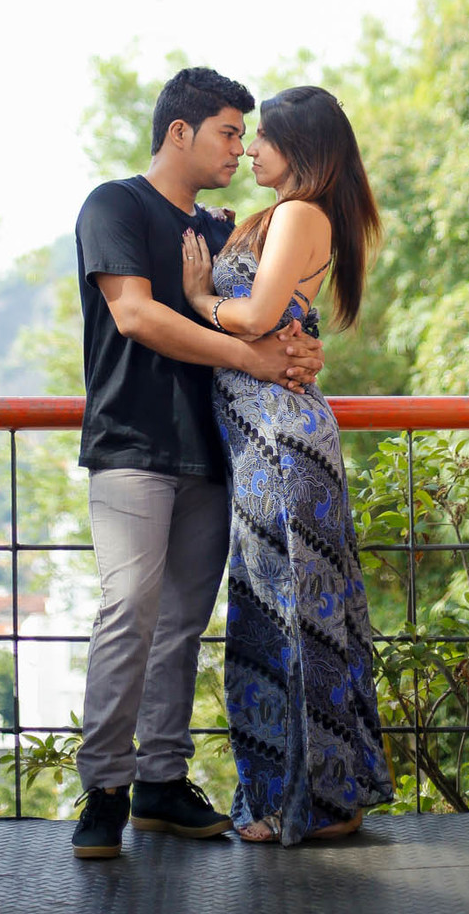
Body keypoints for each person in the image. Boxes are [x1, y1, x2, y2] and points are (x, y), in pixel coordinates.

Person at [71, 67, 325, 861]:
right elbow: (137, 313)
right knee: (128, 610)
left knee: (181, 624)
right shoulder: (112, 205)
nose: (239, 148)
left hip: (216, 454)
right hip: (132, 447)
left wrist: (294, 347)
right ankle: (104, 790)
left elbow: (269, 312)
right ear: (178, 132)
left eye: (245, 136)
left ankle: (159, 782)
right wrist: (253, 358)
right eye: (226, 132)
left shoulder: (222, 232)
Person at [181, 84, 393, 846]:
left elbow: (256, 316)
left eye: (261, 138)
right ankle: (289, 796)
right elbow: (278, 322)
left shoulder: (300, 214)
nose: (249, 150)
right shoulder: (266, 218)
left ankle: (319, 803)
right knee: (269, 620)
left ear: (298, 149)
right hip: (258, 438)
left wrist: (200, 297)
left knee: (296, 621)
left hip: (281, 441)